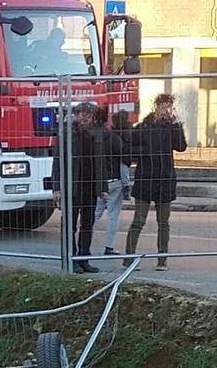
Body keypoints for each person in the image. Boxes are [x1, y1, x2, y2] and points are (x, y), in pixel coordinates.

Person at [124, 93, 187, 270]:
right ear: (156, 107)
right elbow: (128, 149)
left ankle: (162, 259)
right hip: (145, 179)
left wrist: (176, 126)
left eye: (170, 107)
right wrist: (146, 152)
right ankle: (128, 257)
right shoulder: (143, 127)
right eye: (164, 106)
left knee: (164, 222)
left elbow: (181, 146)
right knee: (139, 220)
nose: (166, 110)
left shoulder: (172, 127)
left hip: (165, 180)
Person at [52, 101, 104, 273]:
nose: (86, 118)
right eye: (83, 114)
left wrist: (102, 186)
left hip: (90, 186)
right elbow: (58, 161)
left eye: (89, 115)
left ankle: (84, 258)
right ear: (76, 115)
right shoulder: (66, 132)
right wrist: (57, 187)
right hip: (71, 186)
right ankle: (70, 258)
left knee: (88, 224)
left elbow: (100, 161)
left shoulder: (96, 133)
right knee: (70, 225)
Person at [91, 105, 130, 257]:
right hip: (113, 180)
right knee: (113, 214)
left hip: (96, 180)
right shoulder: (112, 137)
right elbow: (124, 158)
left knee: (95, 212)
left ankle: (80, 243)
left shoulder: (89, 136)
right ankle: (109, 247)